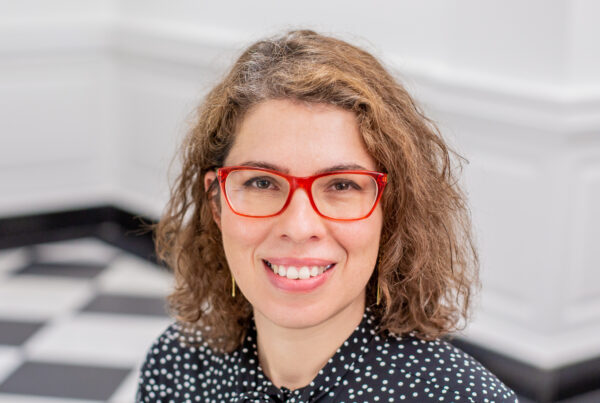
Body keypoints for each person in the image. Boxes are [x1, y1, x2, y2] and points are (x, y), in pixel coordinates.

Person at [137, 30, 517, 402]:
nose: (299, 227)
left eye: (342, 185)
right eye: (262, 183)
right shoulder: (176, 367)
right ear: (216, 202)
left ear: (391, 208)